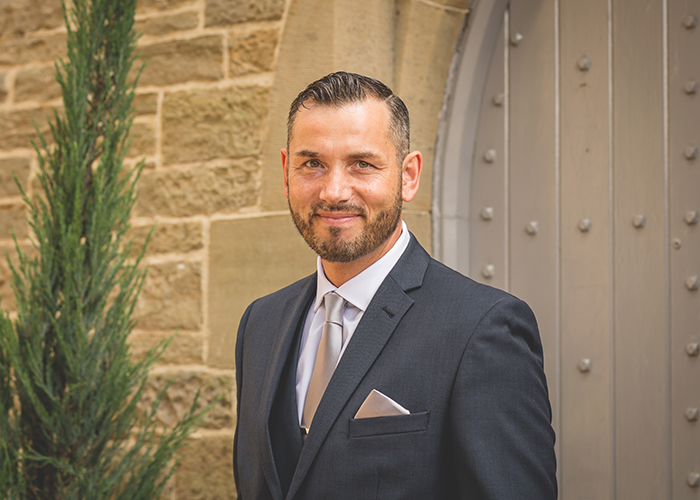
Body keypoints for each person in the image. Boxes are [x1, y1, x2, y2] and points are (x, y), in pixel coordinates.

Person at [233, 71, 557, 500]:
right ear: (285, 171)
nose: (333, 191)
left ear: (408, 175)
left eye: (361, 164)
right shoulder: (261, 322)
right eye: (312, 163)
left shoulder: (482, 329)